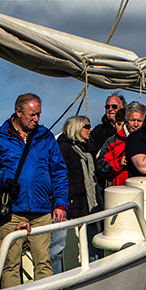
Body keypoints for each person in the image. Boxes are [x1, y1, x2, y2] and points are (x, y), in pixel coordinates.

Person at [0, 93, 69, 289]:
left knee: (43, 262)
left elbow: (59, 171)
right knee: (9, 264)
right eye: (32, 114)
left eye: (39, 114)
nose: (37, 119)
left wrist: (60, 204)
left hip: (41, 210)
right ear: (18, 112)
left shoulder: (46, 137)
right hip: (11, 211)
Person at [56, 115, 99, 270]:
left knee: (94, 239)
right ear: (76, 128)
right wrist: (73, 193)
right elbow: (63, 174)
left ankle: (96, 269)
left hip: (89, 202)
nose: (90, 130)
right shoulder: (63, 147)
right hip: (74, 202)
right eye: (86, 126)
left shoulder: (87, 148)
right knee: (64, 245)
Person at [96, 101, 145, 188]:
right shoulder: (113, 142)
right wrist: (120, 162)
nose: (136, 124)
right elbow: (101, 168)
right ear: (126, 120)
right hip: (120, 193)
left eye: (139, 121)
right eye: (132, 120)